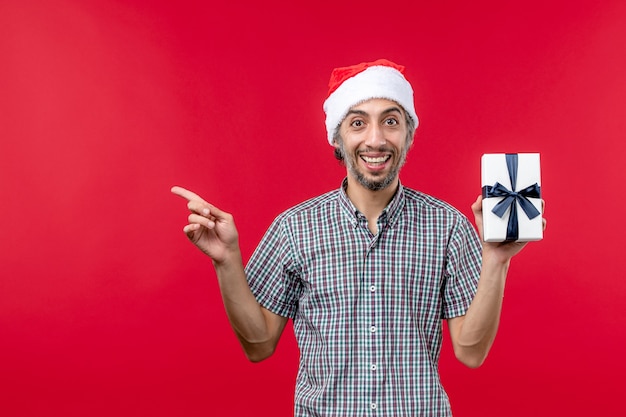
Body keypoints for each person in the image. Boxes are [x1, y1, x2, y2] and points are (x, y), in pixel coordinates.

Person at [171, 59, 546, 416]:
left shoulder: (448, 226)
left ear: (408, 135)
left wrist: (497, 259)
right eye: (357, 123)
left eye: (391, 121)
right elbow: (258, 345)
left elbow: (470, 352)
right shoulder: (294, 228)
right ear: (337, 137)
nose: (376, 139)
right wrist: (226, 260)